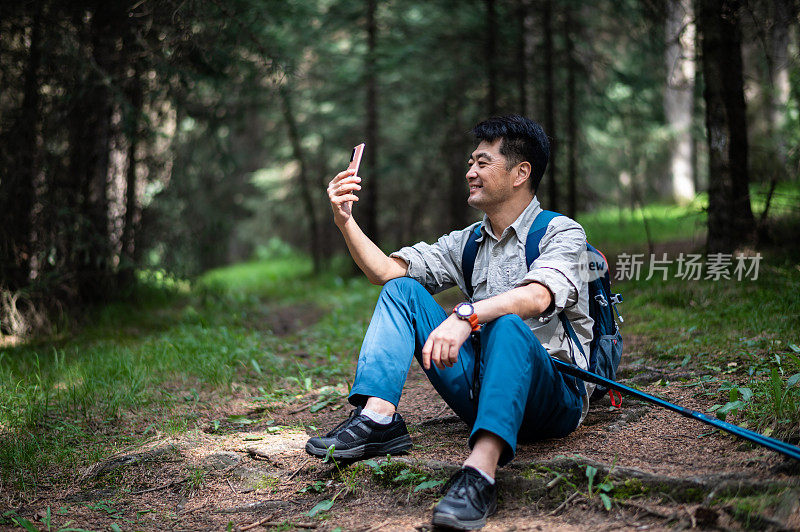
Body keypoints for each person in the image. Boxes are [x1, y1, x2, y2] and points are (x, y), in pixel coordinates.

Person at [306, 115, 593, 530]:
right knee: (400, 291)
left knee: (508, 325)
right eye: (471, 162)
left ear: (520, 173)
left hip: (552, 398)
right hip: (481, 390)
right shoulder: (468, 242)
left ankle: (479, 474)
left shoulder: (561, 232)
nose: (470, 172)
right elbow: (385, 271)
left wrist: (467, 313)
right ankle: (379, 419)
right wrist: (344, 221)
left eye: (482, 162)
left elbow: (538, 296)